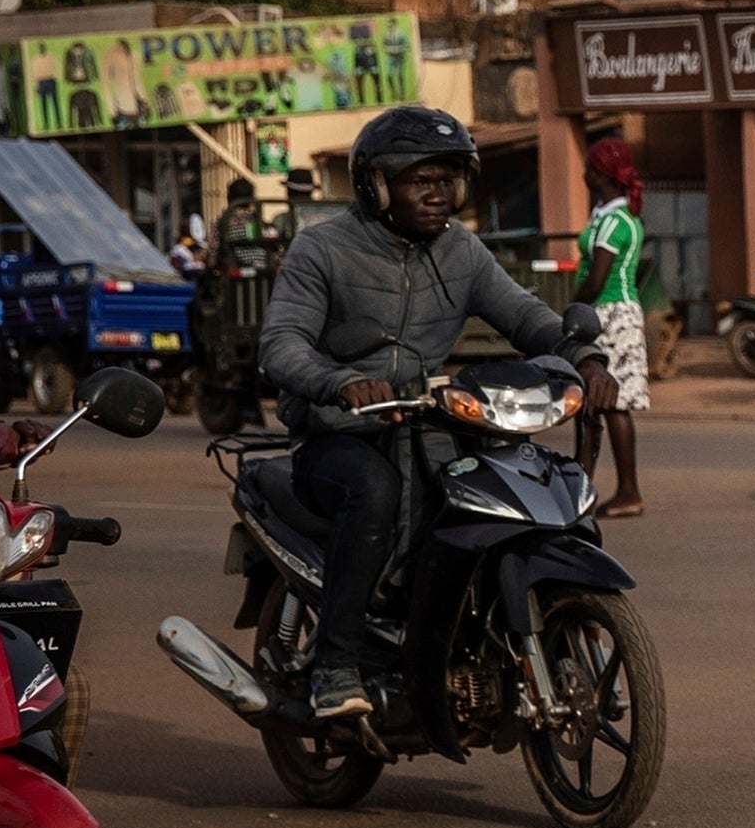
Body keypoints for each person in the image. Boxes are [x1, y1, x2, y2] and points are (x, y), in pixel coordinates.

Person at [259, 104, 599, 720]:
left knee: (504, 485)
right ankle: (335, 665)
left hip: (428, 422)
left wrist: (584, 355)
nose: (440, 194)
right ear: (376, 184)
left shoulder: (459, 251)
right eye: (422, 181)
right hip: (338, 435)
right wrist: (340, 384)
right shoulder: (323, 250)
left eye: (449, 180)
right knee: (374, 491)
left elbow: (524, 314)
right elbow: (281, 344)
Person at [578, 136, 651, 517]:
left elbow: (597, 277)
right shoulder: (610, 214)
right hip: (613, 311)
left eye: (589, 168)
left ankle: (627, 491)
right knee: (597, 403)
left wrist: (573, 309)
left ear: (601, 174)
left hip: (610, 314)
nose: (582, 173)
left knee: (613, 404)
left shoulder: (615, 222)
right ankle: (585, 488)